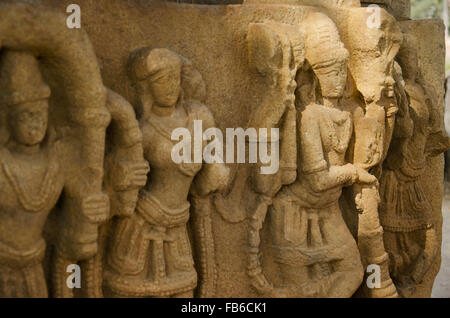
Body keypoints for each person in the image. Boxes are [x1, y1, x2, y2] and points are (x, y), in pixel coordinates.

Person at [104, 48, 229, 297]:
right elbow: (121, 179)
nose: (171, 86)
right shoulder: (145, 131)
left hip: (178, 227)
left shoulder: (197, 116)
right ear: (146, 88)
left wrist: (215, 165)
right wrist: (122, 176)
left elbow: (212, 173)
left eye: (175, 78)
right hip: (141, 226)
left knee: (184, 293)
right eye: (162, 80)